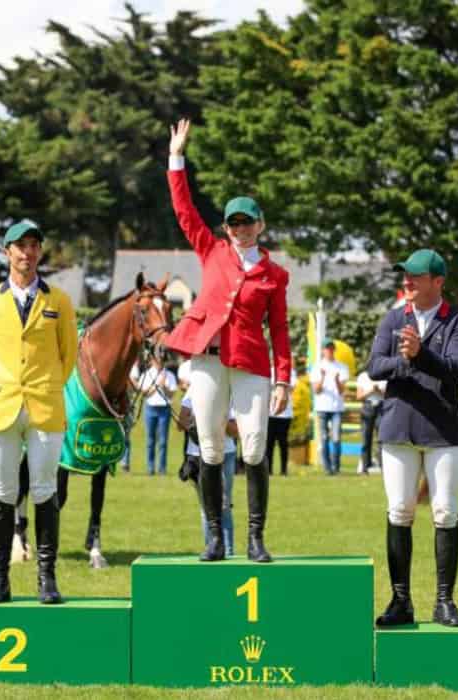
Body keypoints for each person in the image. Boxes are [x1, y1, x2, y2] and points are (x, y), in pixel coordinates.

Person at [165, 118, 291, 563]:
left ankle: (256, 537)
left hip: (251, 363)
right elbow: (184, 210)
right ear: (225, 228)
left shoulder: (275, 274)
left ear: (260, 225)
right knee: (211, 446)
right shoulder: (210, 250)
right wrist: (176, 157)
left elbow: (279, 330)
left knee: (255, 444)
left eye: (247, 222)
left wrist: (284, 380)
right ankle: (215, 535)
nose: (240, 229)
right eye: (233, 223)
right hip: (207, 360)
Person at [0, 219, 78, 604]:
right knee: (2, 491)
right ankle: (1, 577)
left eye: (33, 246)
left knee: (46, 489)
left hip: (45, 405)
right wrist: (2, 385)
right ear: (6, 252)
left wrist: (46, 384)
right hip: (1, 405)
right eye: (20, 246)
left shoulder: (59, 301)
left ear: (40, 252)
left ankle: (46, 578)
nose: (27, 253)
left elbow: (69, 355)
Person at [368, 248, 458, 628]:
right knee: (400, 511)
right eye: (404, 275)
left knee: (445, 513)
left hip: (442, 429)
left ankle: (445, 601)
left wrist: (421, 353)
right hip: (399, 426)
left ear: (438, 282)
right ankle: (401, 601)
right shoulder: (393, 318)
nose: (406, 281)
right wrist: (406, 361)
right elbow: (375, 366)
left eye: (415, 276)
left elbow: (455, 370)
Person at [178, 391, 238, 555]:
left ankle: (229, 552)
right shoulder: (193, 390)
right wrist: (194, 421)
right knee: (207, 508)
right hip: (198, 456)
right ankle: (211, 548)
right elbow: (180, 424)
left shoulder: (230, 391)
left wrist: (212, 421)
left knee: (224, 505)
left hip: (226, 454)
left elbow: (235, 431)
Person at [312, 341, 349, 475]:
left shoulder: (342, 367)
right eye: (327, 349)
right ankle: (328, 468)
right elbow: (316, 390)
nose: (330, 351)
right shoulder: (317, 367)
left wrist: (337, 380)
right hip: (322, 407)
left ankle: (336, 467)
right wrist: (322, 377)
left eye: (332, 349)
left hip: (337, 408)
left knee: (336, 438)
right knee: (324, 438)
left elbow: (341, 391)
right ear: (323, 351)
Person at [137, 356, 177, 475]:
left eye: (161, 361)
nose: (159, 363)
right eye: (156, 360)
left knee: (163, 441)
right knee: (150, 440)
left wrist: (164, 386)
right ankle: (150, 468)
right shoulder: (147, 374)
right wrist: (157, 385)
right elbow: (144, 393)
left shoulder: (169, 375)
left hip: (164, 409)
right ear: (152, 361)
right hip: (150, 408)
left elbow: (171, 395)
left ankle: (162, 469)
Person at [265, 366, 296, 476]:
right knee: (269, 443)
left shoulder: (290, 371)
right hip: (269, 412)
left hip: (285, 414)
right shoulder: (268, 369)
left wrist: (278, 385)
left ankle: (284, 469)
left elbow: (291, 388)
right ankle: (268, 470)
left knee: (283, 443)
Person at [356, 369, 385, 474]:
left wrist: (379, 391)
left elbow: (389, 395)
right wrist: (371, 390)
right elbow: (358, 396)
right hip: (368, 406)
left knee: (381, 439)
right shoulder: (363, 376)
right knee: (366, 438)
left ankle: (383, 467)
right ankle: (365, 466)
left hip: (381, 407)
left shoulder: (384, 375)